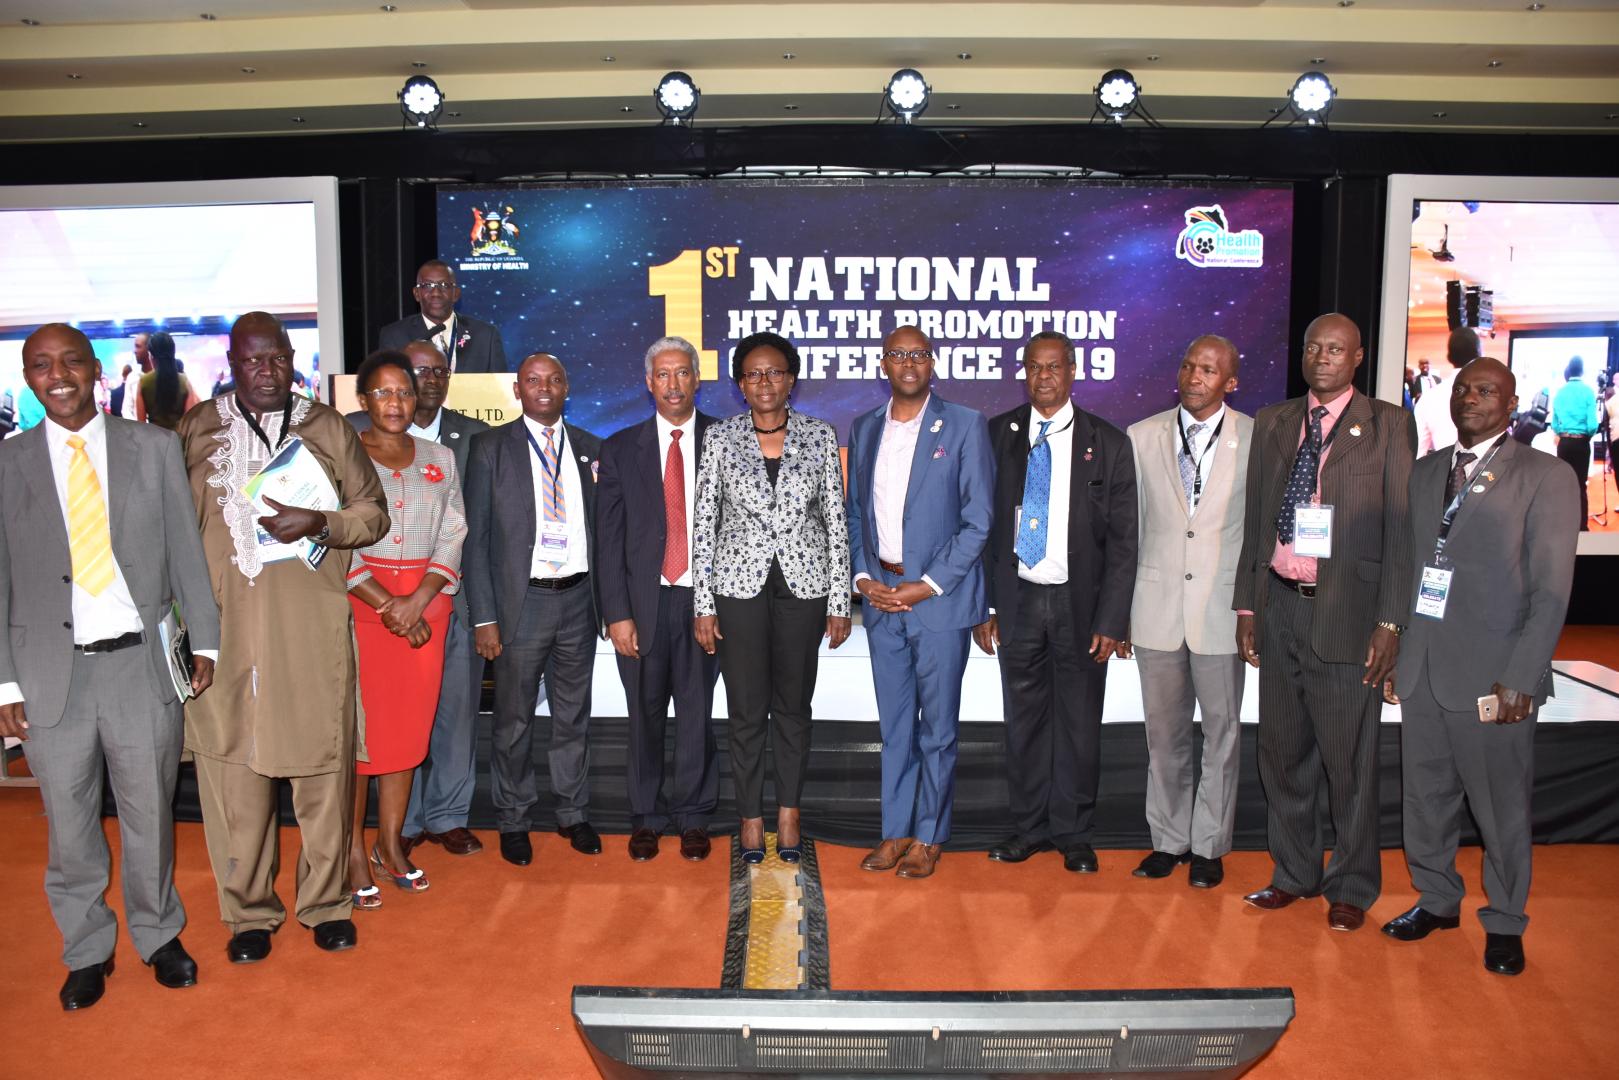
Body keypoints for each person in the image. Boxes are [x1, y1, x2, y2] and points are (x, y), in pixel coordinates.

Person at [0, 324, 220, 1011]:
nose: (57, 374)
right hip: (46, 676)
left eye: (70, 361)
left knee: (150, 813)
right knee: (68, 826)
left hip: (139, 667)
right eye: (41, 364)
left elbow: (186, 547)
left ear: (96, 370)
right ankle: (87, 949)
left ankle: (158, 936)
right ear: (29, 376)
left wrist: (205, 644)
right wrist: (3, 681)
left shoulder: (152, 448)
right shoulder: (7, 463)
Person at [178, 311, 388, 962]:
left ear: (292, 360)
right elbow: (172, 532)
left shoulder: (325, 427)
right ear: (232, 364)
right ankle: (248, 915)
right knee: (233, 772)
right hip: (225, 631)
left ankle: (325, 905)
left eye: (278, 360)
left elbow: (372, 512)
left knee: (323, 771)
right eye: (252, 361)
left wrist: (321, 521)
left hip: (309, 623)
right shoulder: (196, 429)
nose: (266, 372)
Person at [1381, 357, 1578, 977]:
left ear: (1512, 402)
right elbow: (1410, 571)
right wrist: (1398, 651)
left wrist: (1522, 676)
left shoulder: (1545, 476)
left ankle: (1505, 921)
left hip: (1497, 678)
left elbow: (1551, 591)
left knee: (1500, 808)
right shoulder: (1425, 472)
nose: (1470, 398)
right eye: (1463, 389)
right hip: (1424, 670)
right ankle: (1437, 899)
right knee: (1426, 798)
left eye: (1486, 390)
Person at [1233, 312, 1415, 933]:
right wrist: (1249, 607)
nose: (1321, 357)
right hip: (1280, 603)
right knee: (1282, 753)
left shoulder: (1388, 424)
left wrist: (1391, 624)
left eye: (1335, 349)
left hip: (1346, 614)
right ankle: (1294, 873)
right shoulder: (1275, 421)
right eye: (1313, 347)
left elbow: (1402, 532)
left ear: (1357, 357)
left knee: (1349, 764)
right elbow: (1258, 519)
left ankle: (1353, 885)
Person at [975, 331, 1137, 875]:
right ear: (1024, 373)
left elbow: (1123, 542)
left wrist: (1113, 619)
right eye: (1034, 368)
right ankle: (1029, 829)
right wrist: (985, 606)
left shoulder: (1108, 442)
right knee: (1023, 722)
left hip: (1081, 607)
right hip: (1018, 601)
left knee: (1078, 723)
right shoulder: (998, 434)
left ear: (1072, 372)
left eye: (1054, 367)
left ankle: (1073, 833)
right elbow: (982, 527)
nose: (1044, 377)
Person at [691, 332, 851, 865]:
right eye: (754, 374)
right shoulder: (720, 439)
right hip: (737, 588)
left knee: (792, 706)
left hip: (804, 587)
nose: (765, 382)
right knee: (745, 709)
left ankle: (788, 811)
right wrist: (704, 604)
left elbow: (835, 520)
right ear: (740, 384)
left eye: (776, 372)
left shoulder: (820, 435)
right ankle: (750, 817)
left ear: (791, 379)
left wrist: (838, 600)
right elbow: (704, 522)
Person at [847, 325, 991, 880]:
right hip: (882, 599)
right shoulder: (864, 429)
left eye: (919, 354)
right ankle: (895, 831)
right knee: (896, 726)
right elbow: (856, 512)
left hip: (937, 602)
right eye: (897, 354)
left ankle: (930, 835)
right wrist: (864, 578)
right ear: (882, 363)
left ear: (933, 362)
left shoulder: (963, 425)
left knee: (938, 729)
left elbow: (978, 523)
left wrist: (926, 584)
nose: (909, 363)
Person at [346, 341, 493, 857]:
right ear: (364, 398)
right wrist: (389, 605)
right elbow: (330, 538)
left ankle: (390, 845)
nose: (395, 401)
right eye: (383, 391)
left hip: (428, 610)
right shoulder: (341, 454)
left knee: (408, 733)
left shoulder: (441, 457)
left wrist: (420, 598)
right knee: (360, 735)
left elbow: (454, 529)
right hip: (364, 609)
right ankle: (351, 853)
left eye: (404, 392)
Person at [1121, 334, 1251, 888]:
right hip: (1155, 608)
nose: (1195, 376)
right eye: (1188, 364)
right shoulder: (1142, 435)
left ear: (1230, 381)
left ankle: (1209, 846)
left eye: (1209, 369)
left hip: (1221, 609)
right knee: (1165, 734)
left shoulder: (1255, 436)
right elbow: (1130, 531)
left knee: (1221, 734)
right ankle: (1169, 840)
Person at [464, 353, 603, 866]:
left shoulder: (591, 448)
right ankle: (514, 818)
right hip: (520, 605)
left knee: (572, 717)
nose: (544, 388)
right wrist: (485, 617)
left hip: (578, 601)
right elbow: (476, 541)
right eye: (532, 381)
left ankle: (572, 812)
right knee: (513, 720)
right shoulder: (489, 449)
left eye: (554, 380)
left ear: (568, 387)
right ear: (517, 391)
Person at [597, 337, 721, 862]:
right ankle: (646, 817)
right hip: (642, 605)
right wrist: (617, 614)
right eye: (663, 375)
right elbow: (609, 537)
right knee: (643, 713)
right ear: (649, 382)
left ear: (697, 379)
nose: (673, 384)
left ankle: (693, 817)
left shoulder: (726, 439)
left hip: (705, 603)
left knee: (697, 712)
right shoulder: (621, 447)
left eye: (683, 373)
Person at [378, 260, 509, 374]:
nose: (436, 293)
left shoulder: (486, 335)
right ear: (417, 293)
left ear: (456, 294)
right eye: (427, 285)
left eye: (444, 285)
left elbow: (499, 390)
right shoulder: (394, 336)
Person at [1550, 356, 1598, 531]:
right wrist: (1587, 435)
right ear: (1582, 370)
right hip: (1581, 444)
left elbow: (1555, 424)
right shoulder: (1588, 391)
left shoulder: (1560, 392)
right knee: (1580, 485)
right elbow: (1592, 424)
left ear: (1569, 370)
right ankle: (1581, 528)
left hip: (1564, 444)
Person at [135, 331, 200, 430]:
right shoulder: (184, 381)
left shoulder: (143, 382)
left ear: (151, 356)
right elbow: (190, 422)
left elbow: (141, 424)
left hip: (154, 441)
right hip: (179, 441)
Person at [120, 332, 151, 420]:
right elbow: (126, 410)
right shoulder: (132, 378)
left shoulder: (160, 376)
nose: (135, 351)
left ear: (148, 350)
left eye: (138, 346)